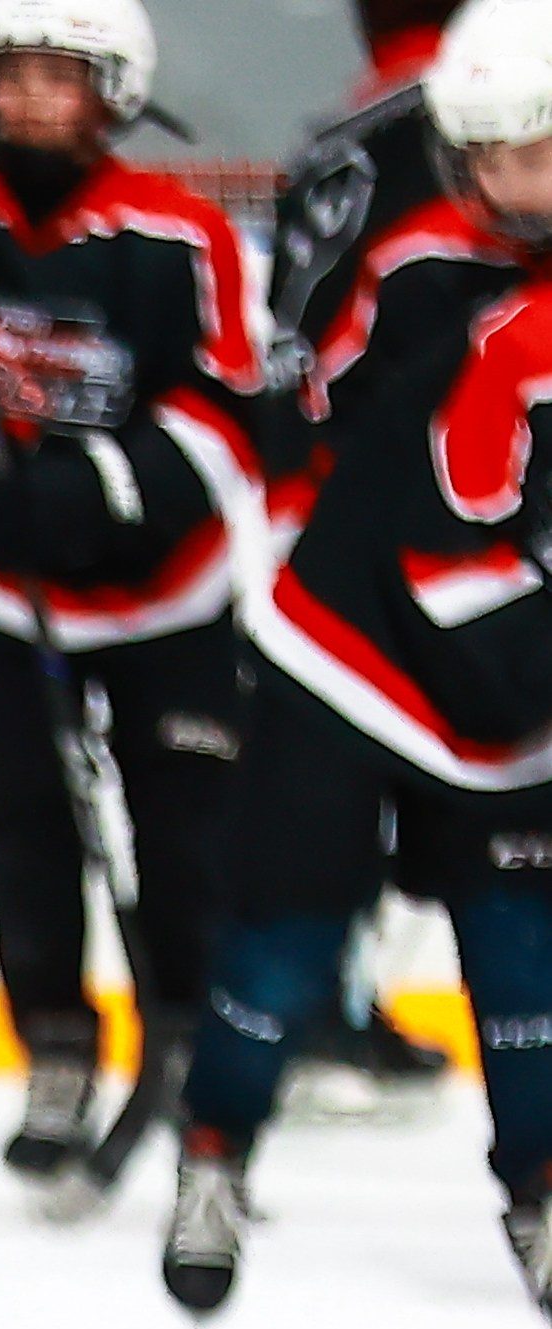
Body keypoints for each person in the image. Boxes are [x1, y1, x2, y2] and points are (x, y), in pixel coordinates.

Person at [163, 0, 552, 1325]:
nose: (524, 184)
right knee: (282, 941)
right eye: (503, 156)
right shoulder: (415, 273)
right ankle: (213, 1150)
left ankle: (539, 1186)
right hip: (352, 653)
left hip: (506, 680)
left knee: (524, 958)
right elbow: (331, 439)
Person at [0, 0, 260, 1186]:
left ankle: (192, 1049)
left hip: (163, 600)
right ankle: (57, 1048)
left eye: (56, 77)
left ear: (113, 93)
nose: (26, 100)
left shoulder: (177, 232)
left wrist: (96, 492)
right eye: (9, 75)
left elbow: (231, 417)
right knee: (23, 831)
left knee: (185, 838)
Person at [266, 0, 508, 1104]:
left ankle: (317, 1006)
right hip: (469, 506)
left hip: (334, 510)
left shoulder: (333, 143)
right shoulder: (476, 128)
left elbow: (287, 352)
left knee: (337, 776)